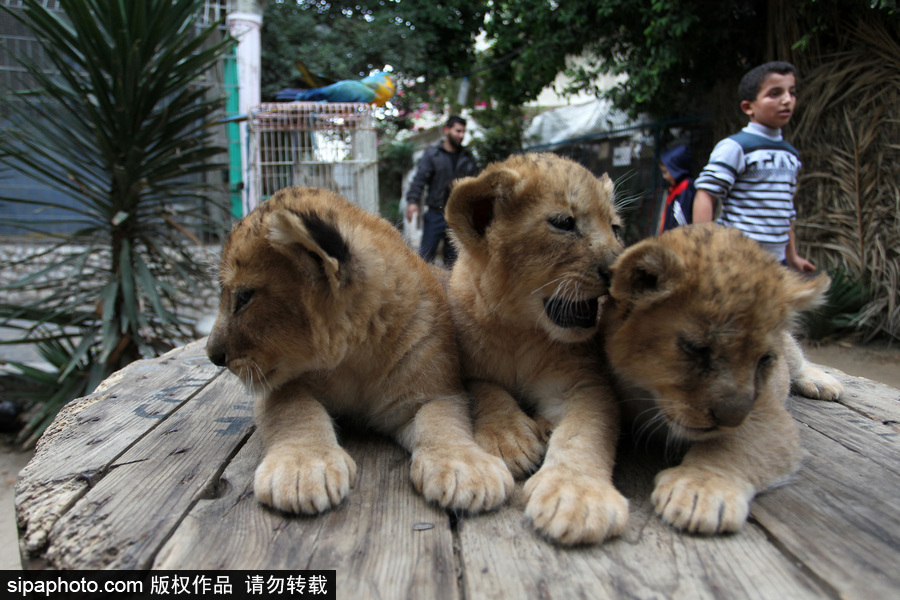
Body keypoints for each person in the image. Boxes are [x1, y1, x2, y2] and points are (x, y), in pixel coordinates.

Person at [693, 61, 816, 272]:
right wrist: (702, 248)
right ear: (748, 107)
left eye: (792, 92)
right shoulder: (736, 147)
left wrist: (792, 256)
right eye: (775, 94)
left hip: (776, 262)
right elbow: (706, 194)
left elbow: (786, 209)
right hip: (737, 257)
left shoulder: (790, 155)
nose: (787, 100)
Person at [405, 115, 477, 267]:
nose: (461, 135)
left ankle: (451, 291)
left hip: (457, 216)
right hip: (435, 214)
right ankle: (423, 290)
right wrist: (412, 202)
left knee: (454, 262)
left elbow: (474, 185)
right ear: (446, 130)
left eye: (463, 132)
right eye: (458, 131)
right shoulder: (432, 154)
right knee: (425, 259)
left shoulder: (467, 156)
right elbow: (420, 179)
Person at [658, 143, 695, 234]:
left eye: (665, 172)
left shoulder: (685, 187)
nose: (664, 176)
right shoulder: (676, 188)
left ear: (675, 168)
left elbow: (681, 220)